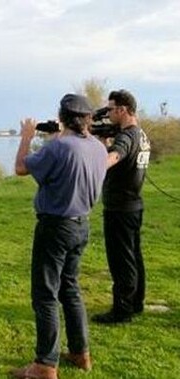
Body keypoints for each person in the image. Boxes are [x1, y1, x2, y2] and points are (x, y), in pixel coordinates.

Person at [11, 94, 108, 379]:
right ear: (87, 118)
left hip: (55, 227)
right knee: (70, 289)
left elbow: (20, 168)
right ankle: (81, 353)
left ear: (62, 116)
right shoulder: (98, 148)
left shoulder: (59, 147)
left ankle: (45, 365)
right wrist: (59, 136)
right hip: (81, 225)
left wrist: (27, 137)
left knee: (45, 294)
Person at [92, 90, 151, 324]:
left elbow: (112, 159)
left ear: (122, 110)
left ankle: (122, 310)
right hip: (134, 204)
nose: (108, 114)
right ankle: (136, 301)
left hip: (120, 208)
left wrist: (97, 160)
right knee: (134, 256)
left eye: (110, 109)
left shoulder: (126, 137)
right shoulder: (141, 135)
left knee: (121, 261)